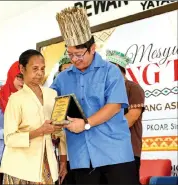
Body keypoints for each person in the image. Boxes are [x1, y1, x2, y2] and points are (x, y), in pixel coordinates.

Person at [51, 7, 139, 184]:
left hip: (115, 154)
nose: (74, 59)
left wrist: (85, 124)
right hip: (81, 157)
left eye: (79, 54)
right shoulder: (62, 78)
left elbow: (114, 106)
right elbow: (49, 102)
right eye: (70, 55)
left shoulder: (111, 72)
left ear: (92, 48)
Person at [0, 49, 67, 184]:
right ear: (22, 69)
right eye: (35, 68)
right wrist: (39, 131)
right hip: (20, 168)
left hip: (47, 165)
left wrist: (63, 159)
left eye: (42, 69)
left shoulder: (52, 94)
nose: (40, 73)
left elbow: (60, 130)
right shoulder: (15, 99)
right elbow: (9, 138)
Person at [106, 49, 145, 183]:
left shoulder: (133, 88)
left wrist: (107, 133)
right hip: (108, 152)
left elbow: (132, 117)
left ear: (116, 68)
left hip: (128, 149)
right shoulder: (108, 91)